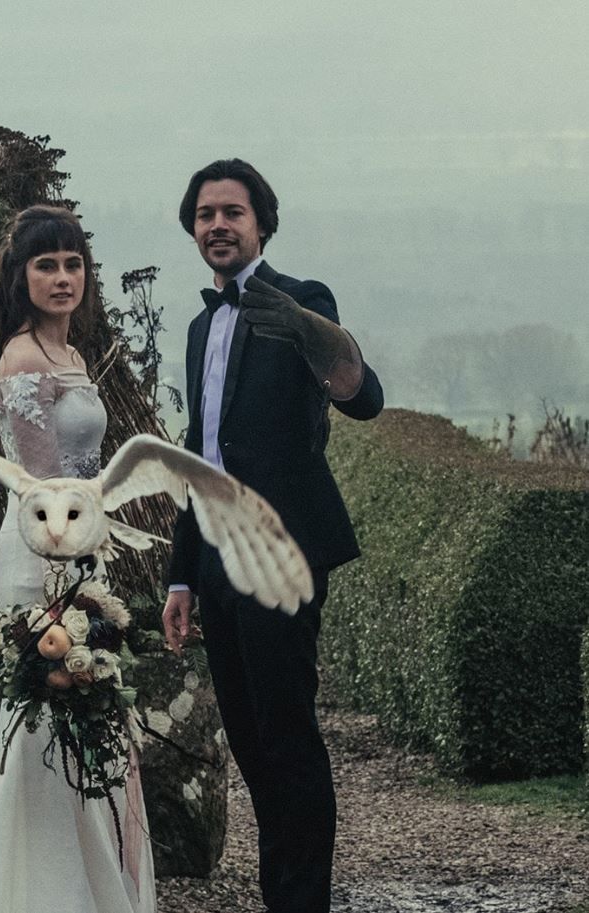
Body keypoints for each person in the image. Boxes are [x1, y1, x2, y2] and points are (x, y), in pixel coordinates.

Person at [161, 159, 384, 913]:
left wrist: (313, 335)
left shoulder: (303, 299)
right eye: (204, 215)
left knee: (286, 736)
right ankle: (279, 894)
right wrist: (180, 576)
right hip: (216, 561)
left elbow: (362, 397)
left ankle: (300, 902)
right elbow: (201, 456)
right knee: (252, 746)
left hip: (284, 554)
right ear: (192, 229)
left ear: (261, 223)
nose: (217, 224)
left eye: (232, 212)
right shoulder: (198, 328)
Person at [0, 205, 156, 913]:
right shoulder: (21, 358)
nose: (63, 277)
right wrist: (67, 587)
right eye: (47, 264)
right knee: (51, 716)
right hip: (43, 554)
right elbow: (43, 494)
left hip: (81, 552)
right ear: (20, 276)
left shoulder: (69, 353)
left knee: (89, 719)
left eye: (73, 263)